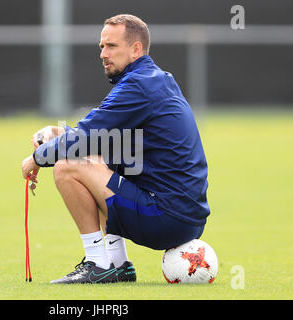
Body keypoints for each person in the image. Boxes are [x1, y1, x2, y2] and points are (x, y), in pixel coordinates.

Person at [21, 14, 210, 284]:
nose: (103, 53)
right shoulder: (156, 79)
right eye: (101, 46)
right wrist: (57, 133)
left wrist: (36, 158)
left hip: (166, 217)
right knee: (92, 158)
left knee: (67, 166)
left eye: (111, 46)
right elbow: (100, 137)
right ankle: (118, 264)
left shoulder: (139, 85)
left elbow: (86, 137)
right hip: (185, 217)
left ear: (135, 49)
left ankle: (98, 263)